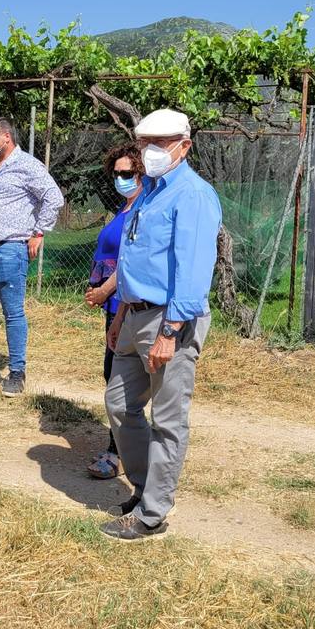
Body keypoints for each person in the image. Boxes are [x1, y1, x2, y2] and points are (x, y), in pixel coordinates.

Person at [100, 108, 221, 542]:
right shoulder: (148, 192)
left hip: (169, 319)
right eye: (144, 142)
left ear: (184, 147)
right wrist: (120, 315)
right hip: (133, 315)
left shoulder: (193, 195)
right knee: (119, 405)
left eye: (160, 142)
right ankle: (144, 487)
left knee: (168, 419)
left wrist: (170, 332)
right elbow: (133, 258)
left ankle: (152, 514)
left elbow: (192, 270)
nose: (149, 150)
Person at [0, 117, 64, 397]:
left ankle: (16, 372)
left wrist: (39, 232)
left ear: (6, 137)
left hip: (9, 249)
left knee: (13, 313)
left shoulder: (27, 165)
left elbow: (54, 197)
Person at [83, 142, 145, 479]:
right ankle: (123, 448)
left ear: (142, 173)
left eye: (128, 173)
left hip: (129, 303)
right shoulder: (126, 207)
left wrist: (105, 290)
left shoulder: (144, 208)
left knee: (121, 382)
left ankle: (119, 453)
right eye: (117, 173)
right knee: (113, 376)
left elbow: (130, 260)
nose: (121, 178)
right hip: (116, 307)